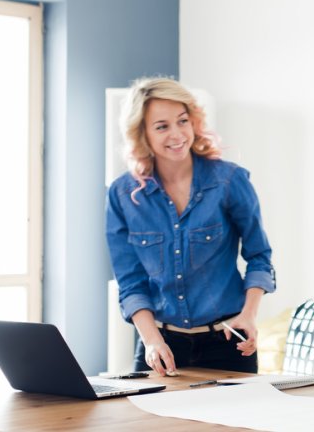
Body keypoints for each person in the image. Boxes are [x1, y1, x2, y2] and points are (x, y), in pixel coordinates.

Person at [107, 77, 274, 375]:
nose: (177, 134)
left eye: (182, 121)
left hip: (228, 342)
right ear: (142, 133)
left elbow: (259, 256)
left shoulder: (229, 181)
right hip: (159, 344)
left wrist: (249, 316)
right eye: (162, 126)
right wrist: (151, 340)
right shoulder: (123, 195)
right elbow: (130, 280)